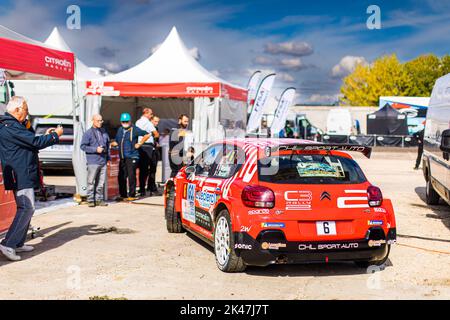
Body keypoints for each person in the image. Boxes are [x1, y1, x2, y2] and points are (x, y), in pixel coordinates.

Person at [0, 96, 63, 261]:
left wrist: (45, 134)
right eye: (26, 110)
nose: (27, 114)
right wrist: (55, 136)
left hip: (22, 172)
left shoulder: (14, 125)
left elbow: (29, 140)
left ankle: (18, 243)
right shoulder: (10, 126)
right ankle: (8, 243)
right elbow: (35, 142)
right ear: (17, 110)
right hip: (19, 173)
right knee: (27, 208)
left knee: (25, 208)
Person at [111, 113, 150, 201]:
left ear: (130, 121)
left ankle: (132, 194)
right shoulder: (120, 130)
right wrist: (112, 144)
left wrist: (140, 143)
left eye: (126, 121)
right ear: (121, 121)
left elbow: (147, 134)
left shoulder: (135, 129)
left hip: (132, 156)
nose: (125, 123)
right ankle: (123, 195)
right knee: (121, 176)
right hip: (123, 157)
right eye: (123, 121)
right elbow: (117, 141)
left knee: (131, 175)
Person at [80, 114, 110, 207]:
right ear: (93, 121)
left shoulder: (104, 132)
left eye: (101, 120)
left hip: (103, 161)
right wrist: (95, 149)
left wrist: (108, 158)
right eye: (98, 120)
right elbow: (83, 146)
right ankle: (90, 200)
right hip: (93, 161)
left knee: (101, 183)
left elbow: (108, 145)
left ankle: (98, 199)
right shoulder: (88, 133)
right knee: (91, 182)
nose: (100, 122)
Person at [135, 108, 160, 197]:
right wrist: (152, 135)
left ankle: (142, 189)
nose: (151, 116)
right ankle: (149, 188)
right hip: (148, 146)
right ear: (146, 113)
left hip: (139, 146)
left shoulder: (137, 122)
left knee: (142, 169)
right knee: (149, 169)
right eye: (151, 114)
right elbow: (156, 134)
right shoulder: (148, 123)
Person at [147, 115, 161, 195]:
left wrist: (157, 143)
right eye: (155, 121)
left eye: (158, 122)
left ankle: (151, 186)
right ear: (151, 121)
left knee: (153, 170)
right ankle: (149, 187)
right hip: (148, 151)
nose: (156, 123)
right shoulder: (148, 128)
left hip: (154, 151)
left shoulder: (157, 129)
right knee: (146, 170)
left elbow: (157, 140)